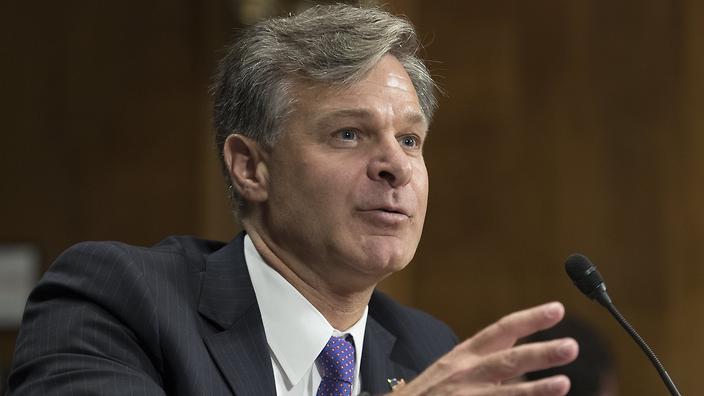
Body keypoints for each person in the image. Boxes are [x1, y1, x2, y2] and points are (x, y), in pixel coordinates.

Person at [7, 4, 578, 395]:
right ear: (251, 167)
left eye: (409, 139)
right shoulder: (120, 301)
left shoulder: (426, 349)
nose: (396, 165)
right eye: (349, 134)